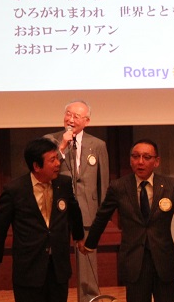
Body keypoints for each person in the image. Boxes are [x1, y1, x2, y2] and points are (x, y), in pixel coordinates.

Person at [81, 139, 174, 302]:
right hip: (134, 262)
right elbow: (102, 216)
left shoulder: (171, 185)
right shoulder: (119, 187)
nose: (140, 162)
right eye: (135, 156)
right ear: (130, 160)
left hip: (164, 261)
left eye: (146, 157)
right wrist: (89, 243)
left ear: (156, 161)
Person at [0, 137, 85, 302]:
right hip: (29, 268)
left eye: (57, 158)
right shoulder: (15, 190)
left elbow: (74, 211)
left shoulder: (63, 183)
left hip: (58, 266)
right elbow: (0, 227)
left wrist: (79, 236)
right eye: (52, 160)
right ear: (36, 166)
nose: (58, 164)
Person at [45, 99, 109, 302]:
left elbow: (103, 182)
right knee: (56, 259)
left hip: (87, 210)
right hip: (57, 210)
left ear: (87, 121)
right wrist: (63, 145)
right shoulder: (50, 140)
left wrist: (103, 214)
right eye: (68, 114)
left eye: (76, 116)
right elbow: (45, 170)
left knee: (87, 260)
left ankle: (89, 298)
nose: (71, 119)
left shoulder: (98, 145)